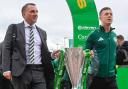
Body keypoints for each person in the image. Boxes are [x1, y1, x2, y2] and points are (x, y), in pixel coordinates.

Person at [2, 3, 59, 89]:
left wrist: (51, 55)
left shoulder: (42, 32)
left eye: (36, 11)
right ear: (23, 14)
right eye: (32, 11)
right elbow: (6, 48)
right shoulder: (14, 28)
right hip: (21, 71)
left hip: (39, 71)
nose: (35, 14)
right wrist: (6, 69)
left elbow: (43, 52)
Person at [86, 7, 118, 89]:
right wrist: (88, 53)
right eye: (106, 14)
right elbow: (84, 50)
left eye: (111, 14)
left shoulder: (114, 35)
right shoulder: (94, 34)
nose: (109, 16)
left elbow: (114, 54)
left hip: (112, 77)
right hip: (96, 77)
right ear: (100, 18)